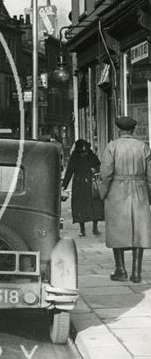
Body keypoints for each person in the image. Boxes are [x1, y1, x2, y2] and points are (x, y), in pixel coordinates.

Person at [100, 116, 151, 283]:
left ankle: (120, 270)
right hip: (140, 190)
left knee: (117, 230)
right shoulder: (143, 147)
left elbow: (106, 174)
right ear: (133, 130)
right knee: (140, 232)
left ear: (118, 129)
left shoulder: (112, 146)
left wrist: (103, 193)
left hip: (117, 190)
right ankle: (136, 273)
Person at [62, 139, 104, 237]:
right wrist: (64, 185)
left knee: (86, 206)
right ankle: (90, 229)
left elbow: (69, 171)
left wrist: (64, 186)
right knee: (90, 206)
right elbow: (69, 171)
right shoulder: (86, 155)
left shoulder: (79, 156)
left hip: (84, 183)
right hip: (84, 183)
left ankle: (87, 229)